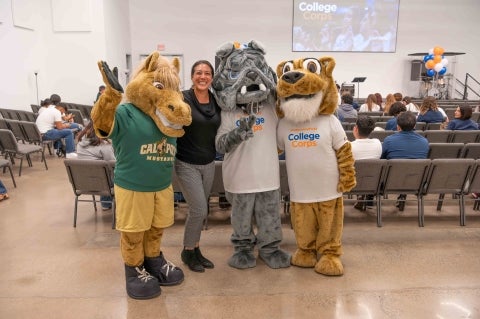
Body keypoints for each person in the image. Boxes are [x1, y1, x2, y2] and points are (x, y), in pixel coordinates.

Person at [174, 60, 221, 273]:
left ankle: (196, 249)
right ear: (192, 76)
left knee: (201, 212)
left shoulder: (216, 100)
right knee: (198, 208)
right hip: (186, 162)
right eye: (199, 73)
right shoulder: (182, 98)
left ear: (212, 77)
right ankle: (187, 250)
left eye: (207, 73)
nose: (203, 77)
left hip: (209, 162)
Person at [381, 111, 429, 210]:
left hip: (390, 181)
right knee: (409, 168)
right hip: (416, 181)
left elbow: (382, 159)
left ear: (398, 126)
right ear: (415, 125)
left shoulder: (389, 140)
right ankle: (402, 196)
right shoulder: (424, 142)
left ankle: (368, 198)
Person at [76, 121, 116, 210]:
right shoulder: (104, 146)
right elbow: (113, 164)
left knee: (101, 172)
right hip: (102, 183)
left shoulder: (80, 144)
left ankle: (106, 203)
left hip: (82, 182)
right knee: (119, 173)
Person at [350, 115, 382, 211]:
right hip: (372, 182)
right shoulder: (377, 143)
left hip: (352, 183)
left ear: (355, 129)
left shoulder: (349, 146)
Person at [35, 94, 77, 158]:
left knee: (58, 132)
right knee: (69, 132)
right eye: (63, 111)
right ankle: (70, 153)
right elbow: (59, 127)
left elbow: (57, 126)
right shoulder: (56, 111)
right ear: (61, 107)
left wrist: (63, 125)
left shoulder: (48, 109)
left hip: (38, 133)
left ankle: (56, 150)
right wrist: (66, 125)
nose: (63, 113)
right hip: (44, 134)